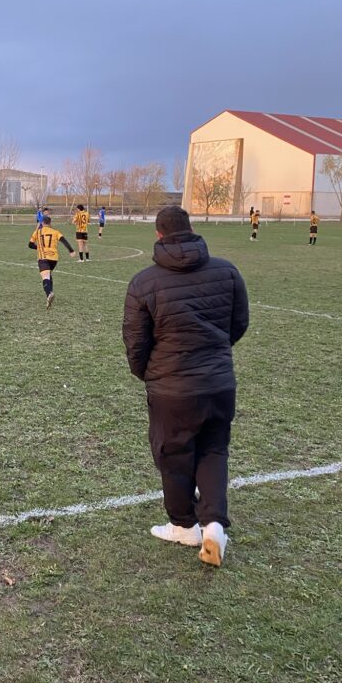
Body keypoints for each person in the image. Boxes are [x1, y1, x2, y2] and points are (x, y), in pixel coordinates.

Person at [122, 206, 249, 568]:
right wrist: (214, 354)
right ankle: (213, 525)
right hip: (218, 382)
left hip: (172, 388)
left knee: (174, 455)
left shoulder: (143, 283)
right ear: (191, 229)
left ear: (158, 235)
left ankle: (184, 526)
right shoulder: (227, 271)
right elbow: (238, 323)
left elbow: (135, 342)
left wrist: (150, 373)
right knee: (213, 449)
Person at [28, 214, 75, 309]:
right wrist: (71, 251)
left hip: (43, 257)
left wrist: (39, 247)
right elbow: (64, 241)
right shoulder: (55, 232)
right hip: (54, 259)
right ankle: (50, 296)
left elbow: (30, 245)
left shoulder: (37, 232)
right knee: (48, 275)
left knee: (45, 277)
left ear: (42, 223)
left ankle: (49, 294)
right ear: (50, 223)